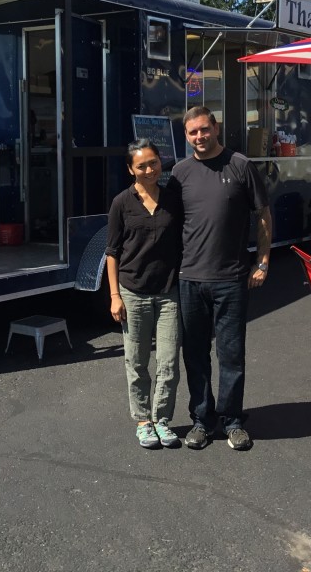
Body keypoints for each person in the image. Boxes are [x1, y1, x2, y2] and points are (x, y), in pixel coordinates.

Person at [170, 106, 271, 451]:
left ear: (215, 127)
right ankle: (201, 419)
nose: (199, 136)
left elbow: (263, 215)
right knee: (195, 354)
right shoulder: (179, 172)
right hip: (190, 279)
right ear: (186, 136)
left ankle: (231, 420)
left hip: (231, 278)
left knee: (231, 354)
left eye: (204, 129)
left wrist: (264, 260)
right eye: (192, 132)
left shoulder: (240, 165)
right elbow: (168, 225)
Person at [105, 139, 184, 449]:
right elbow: (112, 252)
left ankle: (162, 419)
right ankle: (142, 420)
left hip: (168, 292)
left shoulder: (174, 200)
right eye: (142, 165)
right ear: (131, 169)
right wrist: (114, 295)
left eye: (153, 162)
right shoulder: (121, 203)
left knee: (168, 361)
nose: (149, 169)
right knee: (136, 361)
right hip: (133, 291)